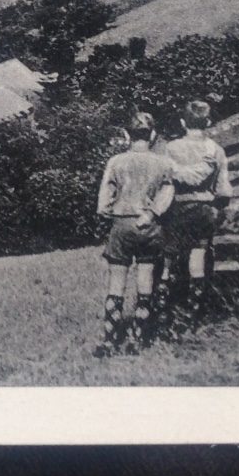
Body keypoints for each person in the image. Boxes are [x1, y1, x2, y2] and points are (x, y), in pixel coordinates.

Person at [92, 118, 175, 356]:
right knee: (146, 279)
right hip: (150, 226)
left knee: (117, 281)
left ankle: (109, 339)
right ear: (152, 135)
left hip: (122, 223)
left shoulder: (116, 161)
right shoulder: (164, 163)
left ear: (128, 136)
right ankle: (138, 338)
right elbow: (168, 193)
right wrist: (151, 213)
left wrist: (111, 212)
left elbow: (104, 200)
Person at [156, 99, 232, 330]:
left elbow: (162, 181)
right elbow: (223, 189)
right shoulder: (215, 150)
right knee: (197, 259)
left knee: (168, 259)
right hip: (203, 209)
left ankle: (162, 310)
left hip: (176, 208)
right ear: (208, 122)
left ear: (182, 122)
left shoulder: (170, 149)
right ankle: (194, 314)